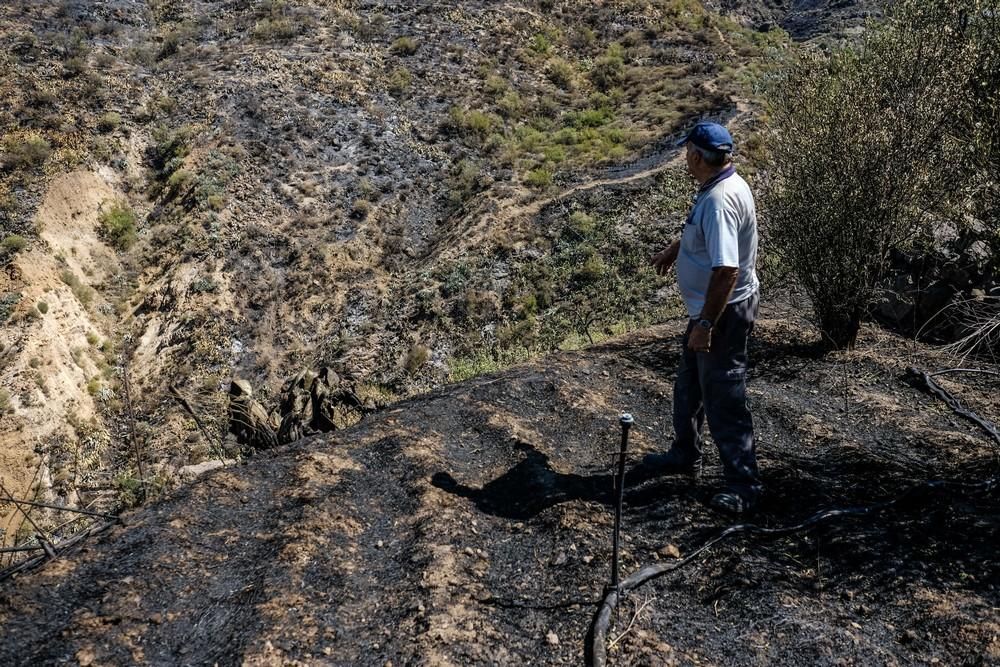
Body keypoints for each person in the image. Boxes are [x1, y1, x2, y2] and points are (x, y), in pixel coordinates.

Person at [645, 121, 762, 514]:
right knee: (690, 385)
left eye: (687, 152)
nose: (685, 158)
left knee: (724, 393)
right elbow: (710, 237)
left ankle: (743, 484)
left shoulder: (719, 200)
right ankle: (685, 454)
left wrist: (706, 325)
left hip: (721, 314)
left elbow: (726, 270)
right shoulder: (723, 185)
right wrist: (679, 247)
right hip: (710, 311)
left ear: (697, 156)